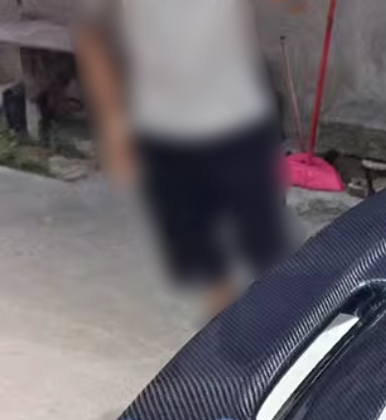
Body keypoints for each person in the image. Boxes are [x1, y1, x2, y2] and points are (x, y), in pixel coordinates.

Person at [73, 0, 291, 316]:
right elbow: (92, 35)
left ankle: (286, 331)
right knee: (205, 267)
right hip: (163, 133)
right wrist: (114, 127)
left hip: (240, 120)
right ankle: (228, 336)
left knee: (268, 252)